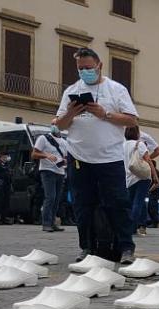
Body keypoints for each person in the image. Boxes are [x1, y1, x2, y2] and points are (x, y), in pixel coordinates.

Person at [56, 47, 139, 263]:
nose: (84, 72)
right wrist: (71, 113)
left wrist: (105, 114)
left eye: (88, 68)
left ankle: (126, 247)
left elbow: (132, 120)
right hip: (79, 157)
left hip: (109, 157)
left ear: (100, 65)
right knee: (83, 205)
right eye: (80, 68)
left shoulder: (116, 89)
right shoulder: (71, 91)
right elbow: (59, 126)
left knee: (117, 203)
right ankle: (86, 247)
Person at [32, 121, 69, 232]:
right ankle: (46, 223)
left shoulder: (64, 142)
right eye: (53, 124)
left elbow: (66, 157)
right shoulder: (43, 138)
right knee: (50, 197)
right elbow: (34, 154)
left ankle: (52, 222)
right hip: (47, 171)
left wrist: (65, 162)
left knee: (57, 199)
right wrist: (46, 155)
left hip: (60, 171)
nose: (55, 126)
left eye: (57, 124)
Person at [123, 126, 158, 237]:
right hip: (142, 177)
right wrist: (154, 175)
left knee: (130, 203)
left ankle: (129, 227)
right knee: (138, 203)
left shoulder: (122, 145)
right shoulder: (140, 144)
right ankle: (133, 228)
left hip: (129, 178)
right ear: (136, 133)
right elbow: (148, 160)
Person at [147, 160, 159, 228]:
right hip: (152, 193)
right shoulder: (153, 171)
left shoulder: (155, 172)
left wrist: (149, 190)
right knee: (150, 208)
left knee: (153, 208)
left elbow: (157, 183)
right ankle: (153, 222)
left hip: (154, 193)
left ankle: (155, 223)